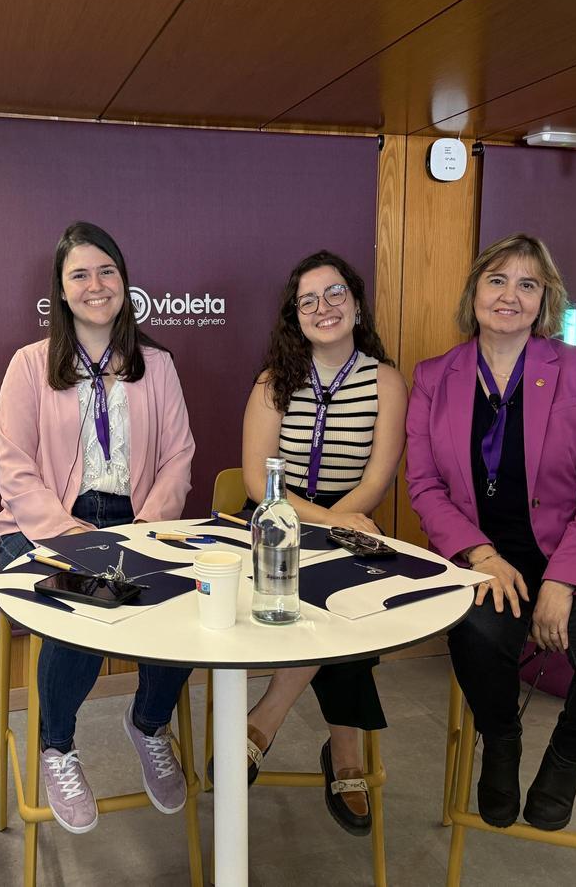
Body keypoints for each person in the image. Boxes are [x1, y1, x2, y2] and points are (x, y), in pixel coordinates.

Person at [405, 234, 576, 831]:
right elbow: (425, 486)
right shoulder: (435, 376)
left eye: (527, 284)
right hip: (489, 555)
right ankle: (501, 740)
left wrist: (563, 582)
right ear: (474, 292)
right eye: (497, 280)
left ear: (544, 301)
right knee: (475, 637)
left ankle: (565, 759)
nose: (509, 295)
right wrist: (479, 554)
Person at [0, 221, 196, 834]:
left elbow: (179, 456)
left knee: (189, 599)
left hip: (139, 522)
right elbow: (15, 470)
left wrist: (144, 532)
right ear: (60, 290)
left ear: (124, 281)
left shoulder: (156, 365)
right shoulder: (29, 365)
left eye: (107, 271)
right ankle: (56, 746)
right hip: (40, 527)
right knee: (78, 607)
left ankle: (149, 723)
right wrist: (72, 536)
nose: (95, 284)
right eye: (79, 274)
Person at [236, 250, 406, 836]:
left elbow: (377, 481)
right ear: (295, 316)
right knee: (329, 591)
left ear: (356, 303)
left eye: (334, 293)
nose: (323, 307)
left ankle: (264, 719)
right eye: (307, 300)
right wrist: (322, 525)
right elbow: (258, 483)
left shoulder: (385, 381)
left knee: (344, 594)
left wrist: (338, 527)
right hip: (275, 522)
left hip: (350, 519)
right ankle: (345, 750)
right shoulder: (273, 382)